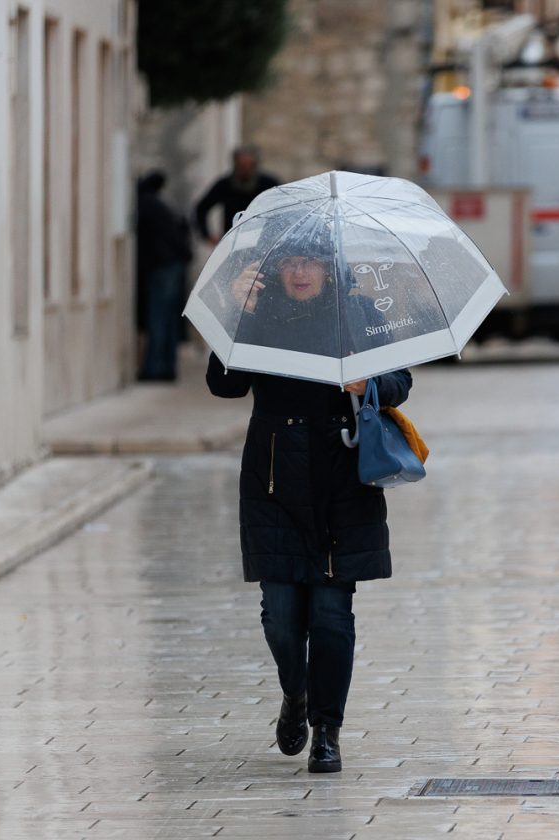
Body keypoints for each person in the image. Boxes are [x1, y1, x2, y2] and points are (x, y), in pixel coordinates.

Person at [206, 261, 412, 774]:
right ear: (275, 271)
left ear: (329, 268)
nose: (301, 274)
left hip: (342, 478)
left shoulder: (360, 314)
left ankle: (327, 730)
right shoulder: (259, 316)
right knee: (280, 613)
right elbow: (224, 385)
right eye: (290, 264)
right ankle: (294, 693)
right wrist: (237, 314)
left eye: (311, 263)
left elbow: (400, 380)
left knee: (331, 617)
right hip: (273, 479)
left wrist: (370, 384)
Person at [136, 171, 192, 381]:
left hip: (162, 267)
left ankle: (154, 368)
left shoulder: (146, 204)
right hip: (172, 265)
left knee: (158, 318)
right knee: (168, 319)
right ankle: (166, 368)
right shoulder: (160, 205)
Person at [194, 146, 281, 245]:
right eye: (241, 165)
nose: (245, 169)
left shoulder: (268, 184)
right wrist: (207, 235)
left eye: (248, 165)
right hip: (232, 241)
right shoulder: (224, 185)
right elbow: (202, 208)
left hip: (263, 241)